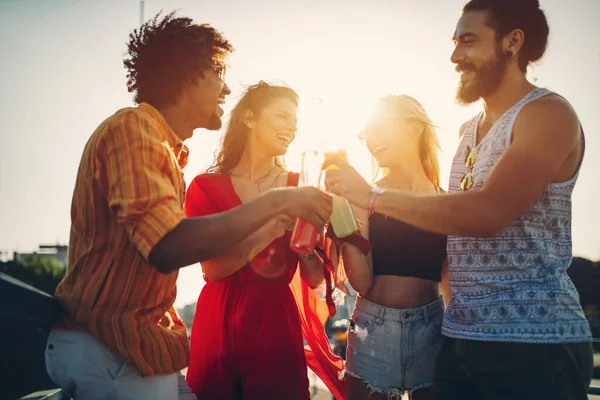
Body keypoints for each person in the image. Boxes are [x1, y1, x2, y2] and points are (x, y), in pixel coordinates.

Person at [44, 14, 332, 400]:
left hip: (144, 352)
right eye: (218, 72)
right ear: (187, 74)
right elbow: (167, 246)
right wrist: (277, 204)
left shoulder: (166, 149)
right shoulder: (132, 130)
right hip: (113, 353)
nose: (227, 89)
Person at [323, 1, 593, 399]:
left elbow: (486, 214)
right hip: (458, 341)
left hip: (534, 344)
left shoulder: (546, 113)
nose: (454, 56)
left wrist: (370, 196)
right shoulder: (469, 130)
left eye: (468, 41)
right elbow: (457, 247)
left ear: (512, 43)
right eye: (454, 43)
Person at [184, 81, 344, 400]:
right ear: (249, 118)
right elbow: (215, 269)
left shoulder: (302, 184)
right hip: (218, 323)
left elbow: (313, 278)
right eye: (282, 117)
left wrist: (311, 237)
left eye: (295, 123)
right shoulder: (204, 187)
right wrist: (274, 226)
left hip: (274, 322)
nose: (291, 128)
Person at [339, 95, 450, 400]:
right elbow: (361, 282)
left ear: (414, 128)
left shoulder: (446, 200)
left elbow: (450, 283)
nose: (371, 140)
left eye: (379, 128)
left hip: (433, 331)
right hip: (373, 331)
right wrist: (353, 216)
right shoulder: (365, 198)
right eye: (367, 135)